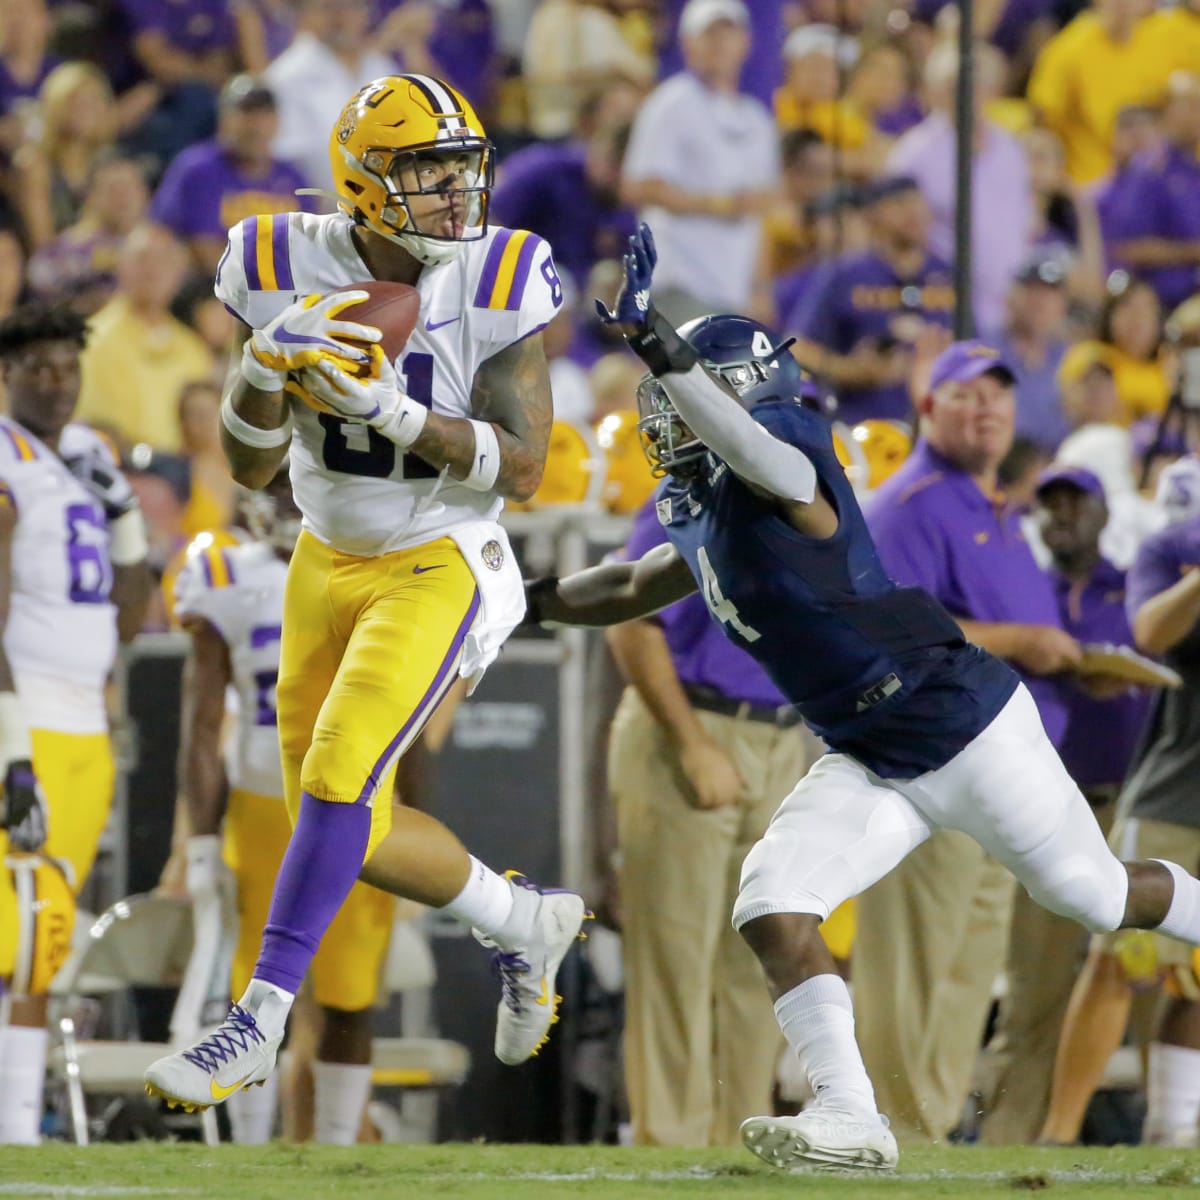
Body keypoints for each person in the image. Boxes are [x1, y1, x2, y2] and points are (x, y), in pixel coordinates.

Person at [524, 223, 1200, 1171]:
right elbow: (634, 586)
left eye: (690, 400)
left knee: (1093, 896)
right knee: (773, 904)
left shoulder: (792, 455)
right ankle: (850, 1117)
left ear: (744, 398)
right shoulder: (699, 503)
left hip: (960, 723)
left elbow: (756, 457)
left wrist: (658, 342)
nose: (666, 421)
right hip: (869, 750)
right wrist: (524, 603)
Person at [144, 73, 587, 1112]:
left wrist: (392, 412)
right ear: (362, 179)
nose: (453, 192)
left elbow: (524, 469)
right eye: (426, 171)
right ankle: (525, 921)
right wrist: (260, 366)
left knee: (341, 778)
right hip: (321, 555)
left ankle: (254, 1022)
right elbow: (250, 470)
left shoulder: (502, 273)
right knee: (346, 825)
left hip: (441, 553)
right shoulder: (271, 260)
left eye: (460, 167)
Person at [854, 337, 1080, 1146]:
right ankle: (890, 1131)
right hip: (940, 765)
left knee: (962, 967)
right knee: (912, 958)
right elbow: (894, 632)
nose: (985, 407)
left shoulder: (994, 511)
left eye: (998, 394)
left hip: (1006, 772)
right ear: (924, 408)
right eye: (964, 393)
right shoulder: (912, 503)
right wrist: (1023, 639)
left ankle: (934, 1133)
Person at [171, 468, 395, 1144]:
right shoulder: (221, 570)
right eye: (271, 488)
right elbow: (203, 723)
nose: (283, 503)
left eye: (291, 486)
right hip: (262, 804)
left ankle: (333, 1155)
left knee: (351, 995)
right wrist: (201, 842)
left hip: (358, 798)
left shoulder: (378, 559)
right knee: (248, 997)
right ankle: (248, 1155)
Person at [607, 495, 817, 1146]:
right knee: (677, 962)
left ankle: (741, 1145)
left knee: (764, 963)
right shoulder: (695, 495)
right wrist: (691, 743)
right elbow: (630, 622)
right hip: (690, 727)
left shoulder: (812, 508)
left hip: (781, 736)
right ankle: (669, 1147)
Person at [0, 303, 152, 1144]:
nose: (57, 384)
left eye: (68, 368)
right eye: (39, 370)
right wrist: (14, 753)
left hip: (86, 727)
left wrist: (126, 519)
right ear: (7, 376)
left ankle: (16, 1134)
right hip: (22, 724)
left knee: (39, 943)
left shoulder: (90, 453)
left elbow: (131, 619)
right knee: (4, 934)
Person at [979, 465, 1152, 1143]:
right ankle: (1008, 1145)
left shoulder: (1135, 587)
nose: (1062, 516)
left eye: (1077, 503)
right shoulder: (1023, 595)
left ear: (1106, 514)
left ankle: (1167, 1138)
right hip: (1045, 808)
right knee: (1032, 992)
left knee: (1145, 979)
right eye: (1050, 505)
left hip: (1129, 804)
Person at [1042, 471, 1200, 1147]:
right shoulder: (1170, 549)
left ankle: (1172, 1129)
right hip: (1175, 786)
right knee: (1120, 959)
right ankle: (1057, 1135)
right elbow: (1151, 629)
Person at [620, 0, 779, 321]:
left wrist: (760, 288)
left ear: (746, 42)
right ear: (687, 44)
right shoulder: (670, 104)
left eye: (728, 33)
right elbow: (637, 187)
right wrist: (720, 204)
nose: (720, 43)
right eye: (709, 34)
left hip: (732, 286)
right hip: (678, 280)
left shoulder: (757, 119)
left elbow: (759, 215)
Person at [150, 74, 311, 277]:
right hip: (209, 288)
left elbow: (307, 251)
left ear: (276, 122)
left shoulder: (294, 179)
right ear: (224, 119)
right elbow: (197, 248)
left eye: (263, 115)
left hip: (281, 292)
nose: (255, 126)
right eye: (245, 114)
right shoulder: (198, 169)